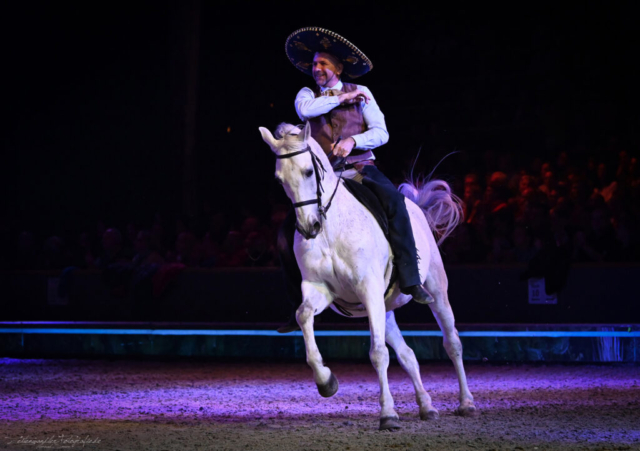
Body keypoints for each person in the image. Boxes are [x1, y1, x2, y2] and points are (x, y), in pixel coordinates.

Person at [277, 27, 430, 333]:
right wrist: (343, 96)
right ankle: (298, 304)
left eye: (324, 64)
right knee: (285, 234)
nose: (317, 68)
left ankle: (411, 279)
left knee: (394, 202)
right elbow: (305, 110)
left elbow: (382, 133)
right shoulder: (308, 95)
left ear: (338, 68)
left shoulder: (364, 93)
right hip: (324, 178)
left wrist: (354, 141)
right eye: (315, 63)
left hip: (359, 168)